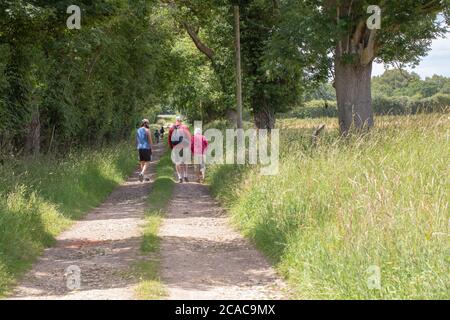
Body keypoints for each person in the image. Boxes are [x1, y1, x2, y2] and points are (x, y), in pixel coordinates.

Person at [168, 116, 191, 183]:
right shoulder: (185, 127)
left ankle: (180, 177)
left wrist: (171, 147)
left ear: (176, 121)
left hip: (175, 147)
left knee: (177, 162)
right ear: (181, 121)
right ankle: (185, 176)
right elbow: (189, 137)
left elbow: (169, 139)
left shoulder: (171, 128)